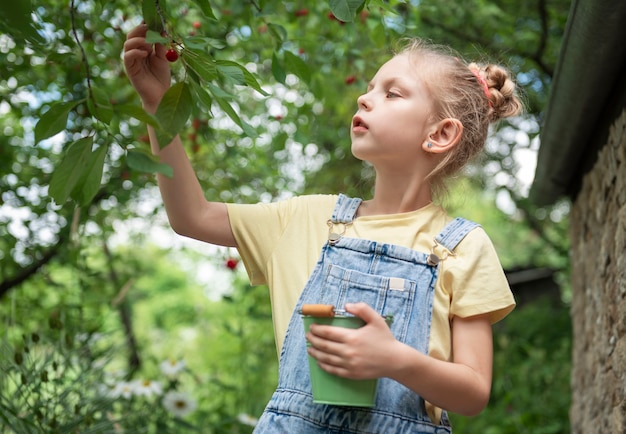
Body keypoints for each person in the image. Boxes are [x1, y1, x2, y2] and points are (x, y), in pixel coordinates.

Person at [124, 22, 520, 433]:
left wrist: (396, 359)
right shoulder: (305, 219)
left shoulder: (463, 246)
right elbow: (191, 216)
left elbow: (473, 391)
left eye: (392, 93)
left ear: (439, 134)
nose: (365, 98)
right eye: (369, 87)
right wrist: (157, 103)